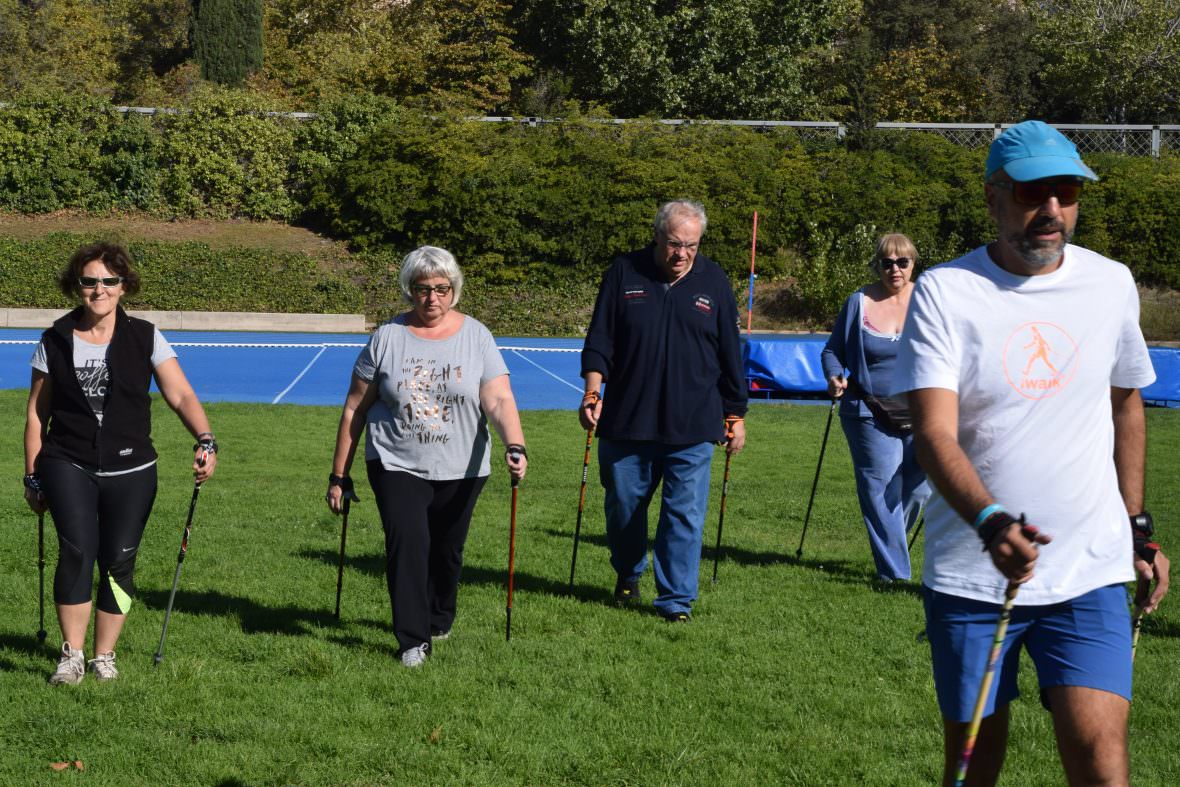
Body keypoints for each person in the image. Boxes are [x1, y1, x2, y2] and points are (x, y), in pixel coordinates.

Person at [892, 120, 1170, 785]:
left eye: (1066, 192)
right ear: (993, 198)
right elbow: (933, 431)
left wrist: (1136, 527)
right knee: (975, 761)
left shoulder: (1111, 283)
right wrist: (991, 520)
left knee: (1102, 756)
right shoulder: (944, 291)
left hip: (1091, 568)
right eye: (1032, 193)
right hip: (972, 575)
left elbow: (1125, 404)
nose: (1051, 210)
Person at [23, 241, 218, 685]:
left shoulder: (145, 335)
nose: (99, 289)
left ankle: (103, 656)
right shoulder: (53, 338)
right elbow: (37, 414)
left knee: (120, 560)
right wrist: (32, 476)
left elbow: (181, 394)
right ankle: (71, 656)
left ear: (124, 286)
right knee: (76, 552)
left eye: (109, 281)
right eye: (89, 281)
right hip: (67, 462)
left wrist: (205, 438)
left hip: (132, 470)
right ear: (77, 286)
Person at [326, 246, 526, 667]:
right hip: (395, 459)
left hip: (463, 466)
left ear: (454, 289)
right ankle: (412, 640)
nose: (432, 298)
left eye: (441, 288)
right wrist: (338, 474)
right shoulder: (386, 337)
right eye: (422, 289)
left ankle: (438, 616)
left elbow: (498, 396)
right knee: (408, 543)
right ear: (409, 291)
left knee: (447, 550)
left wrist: (515, 444)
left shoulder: (477, 336)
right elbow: (355, 408)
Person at [580, 200, 747, 622]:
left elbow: (730, 352)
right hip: (627, 419)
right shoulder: (624, 272)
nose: (682, 254)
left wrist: (736, 414)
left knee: (684, 515)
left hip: (693, 423)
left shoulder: (715, 281)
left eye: (691, 245)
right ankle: (628, 571)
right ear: (657, 236)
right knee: (623, 507)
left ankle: (675, 601)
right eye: (674, 244)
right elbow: (601, 339)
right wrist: (592, 393)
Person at [821, 233, 931, 582]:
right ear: (877, 264)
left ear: (913, 263)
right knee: (882, 491)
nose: (894, 269)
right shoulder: (859, 302)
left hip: (923, 411)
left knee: (920, 488)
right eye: (886, 262)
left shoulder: (929, 299)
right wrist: (835, 376)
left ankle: (890, 543)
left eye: (902, 262)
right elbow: (832, 351)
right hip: (868, 411)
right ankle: (895, 576)